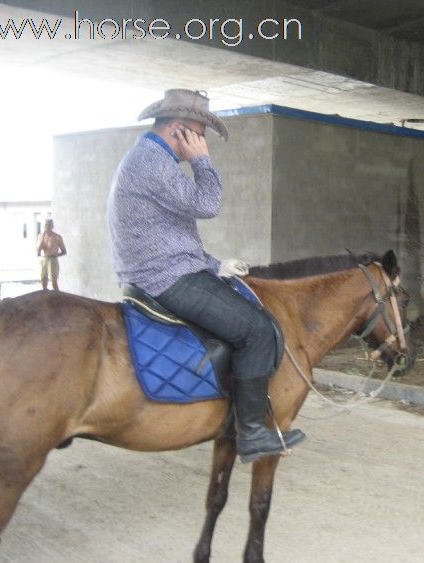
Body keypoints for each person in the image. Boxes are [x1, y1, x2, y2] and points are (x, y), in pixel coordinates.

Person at [106, 89, 304, 463]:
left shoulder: (149, 159)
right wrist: (202, 162)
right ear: (179, 131)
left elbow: (174, 234)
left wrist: (215, 266)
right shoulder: (153, 162)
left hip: (167, 268)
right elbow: (207, 204)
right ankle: (250, 434)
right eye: (200, 133)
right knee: (257, 330)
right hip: (166, 278)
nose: (203, 141)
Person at [37, 218, 67, 290]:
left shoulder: (57, 237)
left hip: (53, 259)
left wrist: (55, 254)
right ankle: (44, 296)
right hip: (44, 258)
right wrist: (41, 241)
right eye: (46, 225)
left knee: (54, 281)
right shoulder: (41, 236)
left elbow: (64, 251)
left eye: (49, 225)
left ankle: (57, 297)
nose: (47, 227)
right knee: (43, 279)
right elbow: (38, 251)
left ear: (52, 226)